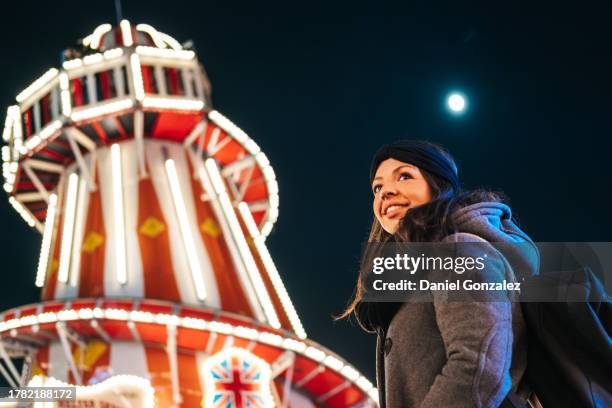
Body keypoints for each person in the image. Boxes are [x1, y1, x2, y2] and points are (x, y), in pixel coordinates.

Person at [339, 140, 540, 408]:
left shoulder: (458, 251)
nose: (385, 191)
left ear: (437, 185)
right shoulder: (408, 274)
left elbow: (478, 368)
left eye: (404, 176)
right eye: (377, 187)